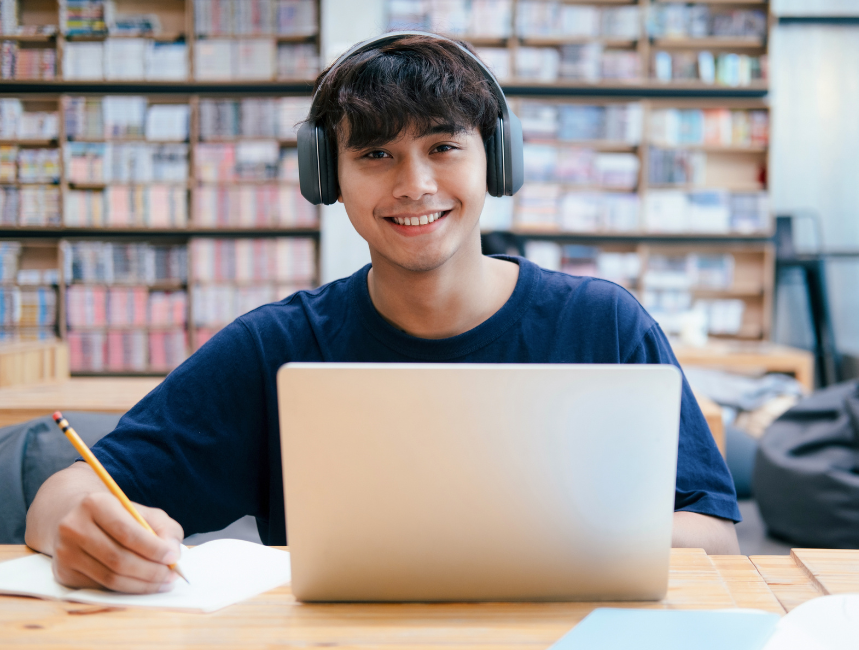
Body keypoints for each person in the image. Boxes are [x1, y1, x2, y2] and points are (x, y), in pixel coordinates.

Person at [25, 33, 740, 595]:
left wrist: (526, 544)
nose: (415, 185)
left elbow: (716, 538)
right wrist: (81, 528)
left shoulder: (601, 325)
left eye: (442, 146)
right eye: (375, 153)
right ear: (326, 176)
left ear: (495, 160)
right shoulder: (280, 347)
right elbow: (63, 495)